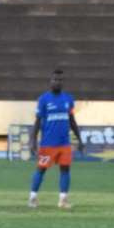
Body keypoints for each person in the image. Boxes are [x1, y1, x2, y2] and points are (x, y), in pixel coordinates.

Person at [29, 68, 82, 209]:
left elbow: (72, 120)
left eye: (60, 80)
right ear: (51, 81)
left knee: (65, 169)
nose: (58, 82)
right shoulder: (43, 99)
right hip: (48, 143)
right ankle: (33, 198)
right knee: (41, 169)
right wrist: (33, 142)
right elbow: (37, 121)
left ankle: (63, 200)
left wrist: (79, 140)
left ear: (63, 81)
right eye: (55, 79)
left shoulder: (68, 98)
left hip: (64, 143)